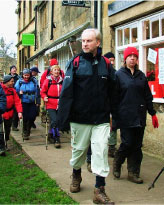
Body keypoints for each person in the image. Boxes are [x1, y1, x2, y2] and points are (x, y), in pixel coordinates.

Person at [57, 28, 116, 204]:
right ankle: (76, 174)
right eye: (83, 41)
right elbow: (66, 92)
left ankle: (99, 189)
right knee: (79, 151)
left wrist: (116, 116)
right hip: (80, 118)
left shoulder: (106, 64)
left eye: (89, 41)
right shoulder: (75, 63)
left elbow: (114, 92)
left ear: (98, 43)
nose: (85, 44)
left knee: (100, 151)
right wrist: (63, 119)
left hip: (101, 119)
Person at [112, 47, 159, 184]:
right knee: (127, 143)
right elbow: (114, 98)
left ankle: (133, 172)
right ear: (125, 59)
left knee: (137, 146)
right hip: (125, 115)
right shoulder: (118, 75)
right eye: (130, 56)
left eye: (134, 56)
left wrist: (153, 113)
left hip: (139, 115)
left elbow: (147, 96)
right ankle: (118, 161)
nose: (132, 58)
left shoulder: (141, 76)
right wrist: (114, 118)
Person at [86, 51, 117, 173]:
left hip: (105, 110)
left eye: (113, 60)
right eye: (110, 60)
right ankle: (89, 160)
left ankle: (99, 163)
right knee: (91, 138)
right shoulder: (96, 71)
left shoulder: (112, 73)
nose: (112, 62)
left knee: (102, 140)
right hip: (90, 110)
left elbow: (114, 91)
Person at [0, 75, 23, 156]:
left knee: (7, 129)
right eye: (11, 81)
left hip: (10, 112)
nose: (13, 82)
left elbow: (17, 101)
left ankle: (5, 142)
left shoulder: (13, 91)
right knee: (1, 130)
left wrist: (19, 112)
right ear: (7, 82)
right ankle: (1, 148)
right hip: (1, 113)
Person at [40, 65, 64, 149]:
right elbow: (42, 92)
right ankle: (56, 138)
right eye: (55, 70)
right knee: (55, 120)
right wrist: (44, 97)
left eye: (58, 70)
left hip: (60, 103)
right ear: (51, 72)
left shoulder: (62, 81)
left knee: (57, 121)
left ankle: (51, 134)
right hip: (50, 103)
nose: (57, 71)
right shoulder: (48, 81)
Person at [15, 68, 41, 140]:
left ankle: (28, 129)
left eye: (27, 75)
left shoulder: (34, 81)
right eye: (25, 75)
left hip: (32, 101)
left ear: (30, 75)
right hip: (24, 102)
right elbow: (15, 92)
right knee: (25, 117)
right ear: (22, 75)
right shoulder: (19, 82)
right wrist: (19, 94)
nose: (26, 77)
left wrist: (38, 102)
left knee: (32, 116)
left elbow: (37, 92)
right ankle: (25, 131)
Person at [9, 65, 21, 131]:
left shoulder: (18, 78)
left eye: (15, 68)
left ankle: (14, 126)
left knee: (16, 111)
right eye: (13, 68)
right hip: (9, 95)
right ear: (10, 70)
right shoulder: (7, 77)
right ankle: (10, 124)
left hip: (16, 95)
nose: (14, 70)